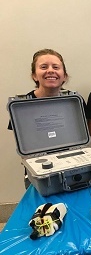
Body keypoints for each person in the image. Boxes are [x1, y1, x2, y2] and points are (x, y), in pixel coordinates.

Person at [8, 48, 69, 188]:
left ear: (64, 75)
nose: (50, 70)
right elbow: (24, 148)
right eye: (43, 67)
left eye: (56, 67)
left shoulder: (75, 101)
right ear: (34, 76)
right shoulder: (21, 106)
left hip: (70, 168)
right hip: (39, 172)